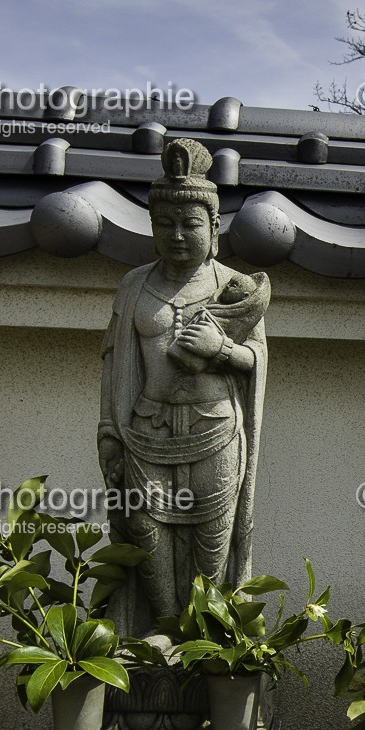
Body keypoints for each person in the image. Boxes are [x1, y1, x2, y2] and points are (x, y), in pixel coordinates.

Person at [99, 138, 267, 631]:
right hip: (146, 429)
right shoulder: (134, 286)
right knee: (143, 530)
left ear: (213, 228)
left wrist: (221, 351)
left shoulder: (233, 289)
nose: (176, 235)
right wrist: (110, 428)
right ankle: (165, 629)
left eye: (189, 224)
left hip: (215, 426)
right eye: (164, 224)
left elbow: (256, 360)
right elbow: (116, 365)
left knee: (210, 535)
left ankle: (205, 631)